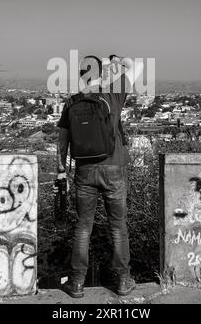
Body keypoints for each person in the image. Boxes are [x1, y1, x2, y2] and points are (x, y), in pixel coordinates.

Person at [56, 54, 143, 298]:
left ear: (82, 74)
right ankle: (124, 280)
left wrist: (62, 169)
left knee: (83, 227)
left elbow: (62, 141)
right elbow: (134, 66)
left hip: (84, 171)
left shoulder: (71, 103)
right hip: (114, 168)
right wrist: (112, 61)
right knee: (118, 225)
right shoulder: (113, 95)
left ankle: (77, 282)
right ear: (100, 74)